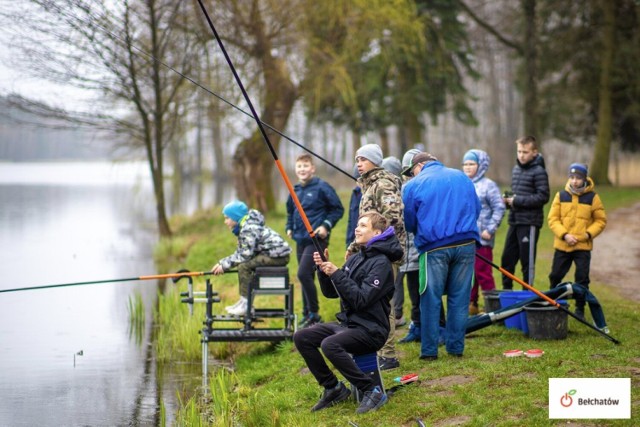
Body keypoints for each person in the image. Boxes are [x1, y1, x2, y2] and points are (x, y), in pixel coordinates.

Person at [293, 212, 403, 414]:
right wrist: (323, 271)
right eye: (357, 225)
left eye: (363, 226)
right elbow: (331, 293)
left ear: (377, 232)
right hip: (350, 325)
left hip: (372, 330)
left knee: (330, 345)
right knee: (302, 337)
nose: (357, 228)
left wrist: (336, 273)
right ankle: (333, 388)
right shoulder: (355, 259)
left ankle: (372, 390)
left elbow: (360, 299)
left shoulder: (382, 264)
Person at [403, 152, 480, 360]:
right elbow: (477, 208)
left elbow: (409, 221)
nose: (411, 175)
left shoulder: (412, 185)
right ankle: (456, 348)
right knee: (460, 297)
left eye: (411, 171)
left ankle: (429, 351)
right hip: (466, 243)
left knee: (430, 298)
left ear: (419, 166)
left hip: (433, 246)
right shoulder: (462, 177)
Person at [348, 143, 405, 371]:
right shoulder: (368, 185)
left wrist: (366, 242)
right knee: (373, 303)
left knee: (383, 304)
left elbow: (393, 218)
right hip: (369, 253)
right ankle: (378, 350)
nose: (358, 164)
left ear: (374, 161)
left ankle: (388, 355)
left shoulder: (383, 184)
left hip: (385, 254)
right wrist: (356, 246)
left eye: (362, 159)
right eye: (357, 160)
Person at [286, 153, 344, 328]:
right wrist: (289, 227)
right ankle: (307, 314)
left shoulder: (322, 187)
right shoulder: (295, 189)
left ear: (312, 168)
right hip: (300, 239)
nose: (302, 169)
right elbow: (290, 211)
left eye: (305, 166)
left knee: (303, 274)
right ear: (296, 170)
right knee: (307, 277)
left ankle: (314, 313)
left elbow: (337, 209)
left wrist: (326, 225)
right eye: (299, 167)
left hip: (316, 240)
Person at [548, 163, 607, 319]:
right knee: (555, 275)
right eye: (572, 177)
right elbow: (553, 219)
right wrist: (565, 235)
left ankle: (579, 308)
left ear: (585, 178)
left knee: (582, 278)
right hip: (562, 244)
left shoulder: (592, 197)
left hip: (583, 246)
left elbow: (600, 220)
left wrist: (588, 234)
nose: (575, 181)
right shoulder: (561, 196)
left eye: (578, 178)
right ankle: (553, 302)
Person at [211, 200, 291, 315]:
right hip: (272, 254)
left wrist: (224, 265)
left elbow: (245, 255)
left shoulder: (249, 228)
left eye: (227, 218)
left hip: (278, 256)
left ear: (236, 217)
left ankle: (246, 304)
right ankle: (244, 301)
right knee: (243, 264)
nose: (225, 222)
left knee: (244, 266)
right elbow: (242, 252)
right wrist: (222, 263)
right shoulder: (246, 226)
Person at [500, 136, 550, 289]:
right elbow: (517, 193)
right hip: (514, 221)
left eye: (525, 152)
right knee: (506, 260)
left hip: (529, 223)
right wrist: (508, 200)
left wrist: (517, 200)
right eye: (519, 151)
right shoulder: (516, 169)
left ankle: (526, 296)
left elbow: (543, 197)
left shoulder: (539, 171)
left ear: (534, 152)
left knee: (526, 263)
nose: (521, 155)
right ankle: (506, 295)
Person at [462, 149, 506, 314]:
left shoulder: (489, 185)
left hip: (482, 238)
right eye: (465, 164)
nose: (467, 167)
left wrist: (490, 229)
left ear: (480, 165)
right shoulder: (461, 182)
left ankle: (492, 306)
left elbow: (499, 207)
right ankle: (471, 304)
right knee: (468, 274)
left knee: (483, 272)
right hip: (465, 238)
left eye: (471, 164)